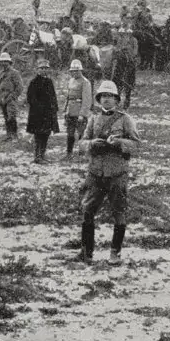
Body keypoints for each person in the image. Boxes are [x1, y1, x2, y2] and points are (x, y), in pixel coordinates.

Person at [77, 80, 141, 265]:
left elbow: (136, 145)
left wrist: (119, 143)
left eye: (110, 96)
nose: (106, 100)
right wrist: (91, 144)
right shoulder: (93, 119)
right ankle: (86, 252)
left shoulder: (125, 119)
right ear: (98, 99)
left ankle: (115, 253)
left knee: (119, 212)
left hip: (117, 173)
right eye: (103, 96)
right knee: (88, 210)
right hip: (96, 173)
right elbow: (81, 143)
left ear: (116, 100)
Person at [26, 60, 60, 164]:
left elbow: (53, 96)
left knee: (46, 134)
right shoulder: (34, 82)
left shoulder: (49, 82)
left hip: (48, 114)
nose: (44, 70)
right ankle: (37, 156)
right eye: (41, 68)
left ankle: (42, 155)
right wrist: (39, 108)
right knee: (38, 135)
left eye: (46, 68)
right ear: (37, 70)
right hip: (38, 115)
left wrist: (55, 108)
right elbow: (30, 98)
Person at [63, 60, 93, 160]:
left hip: (79, 112)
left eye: (76, 71)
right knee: (70, 134)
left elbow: (87, 100)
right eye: (73, 71)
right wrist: (65, 110)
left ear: (81, 71)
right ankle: (69, 153)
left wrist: (82, 114)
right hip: (71, 112)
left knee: (81, 134)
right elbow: (68, 97)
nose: (74, 73)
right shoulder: (71, 81)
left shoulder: (85, 82)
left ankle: (82, 154)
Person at [0, 52, 23, 142]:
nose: (3, 64)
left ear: (9, 63)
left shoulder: (14, 73)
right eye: (2, 62)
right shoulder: (1, 74)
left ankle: (14, 136)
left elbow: (19, 87)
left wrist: (13, 96)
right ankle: (8, 136)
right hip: (2, 98)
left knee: (12, 117)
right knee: (6, 117)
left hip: (10, 98)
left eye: (5, 62)